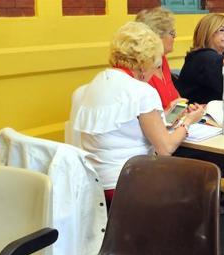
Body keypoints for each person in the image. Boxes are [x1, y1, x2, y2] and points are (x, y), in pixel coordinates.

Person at [71, 22, 205, 207]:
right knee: (196, 186)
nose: (155, 72)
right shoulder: (142, 91)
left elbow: (123, 125)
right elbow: (166, 149)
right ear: (143, 64)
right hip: (130, 181)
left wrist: (163, 115)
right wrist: (188, 121)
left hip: (93, 183)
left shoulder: (92, 85)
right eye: (156, 65)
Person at [135, 6, 184, 110]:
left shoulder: (162, 59)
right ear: (156, 36)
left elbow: (175, 97)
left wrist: (185, 108)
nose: (174, 37)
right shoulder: (141, 68)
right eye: (172, 33)